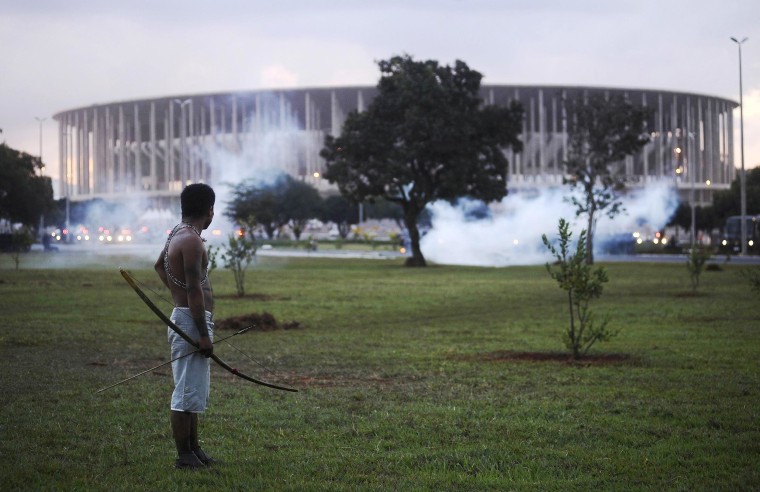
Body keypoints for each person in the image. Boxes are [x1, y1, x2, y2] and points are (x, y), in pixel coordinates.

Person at [154, 183, 217, 469]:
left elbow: (158, 266)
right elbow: (194, 291)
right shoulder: (191, 241)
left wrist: (176, 295)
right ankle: (184, 456)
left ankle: (194, 449)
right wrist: (202, 334)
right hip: (192, 322)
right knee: (184, 393)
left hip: (188, 318)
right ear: (209, 211)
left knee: (193, 389)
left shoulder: (176, 235)